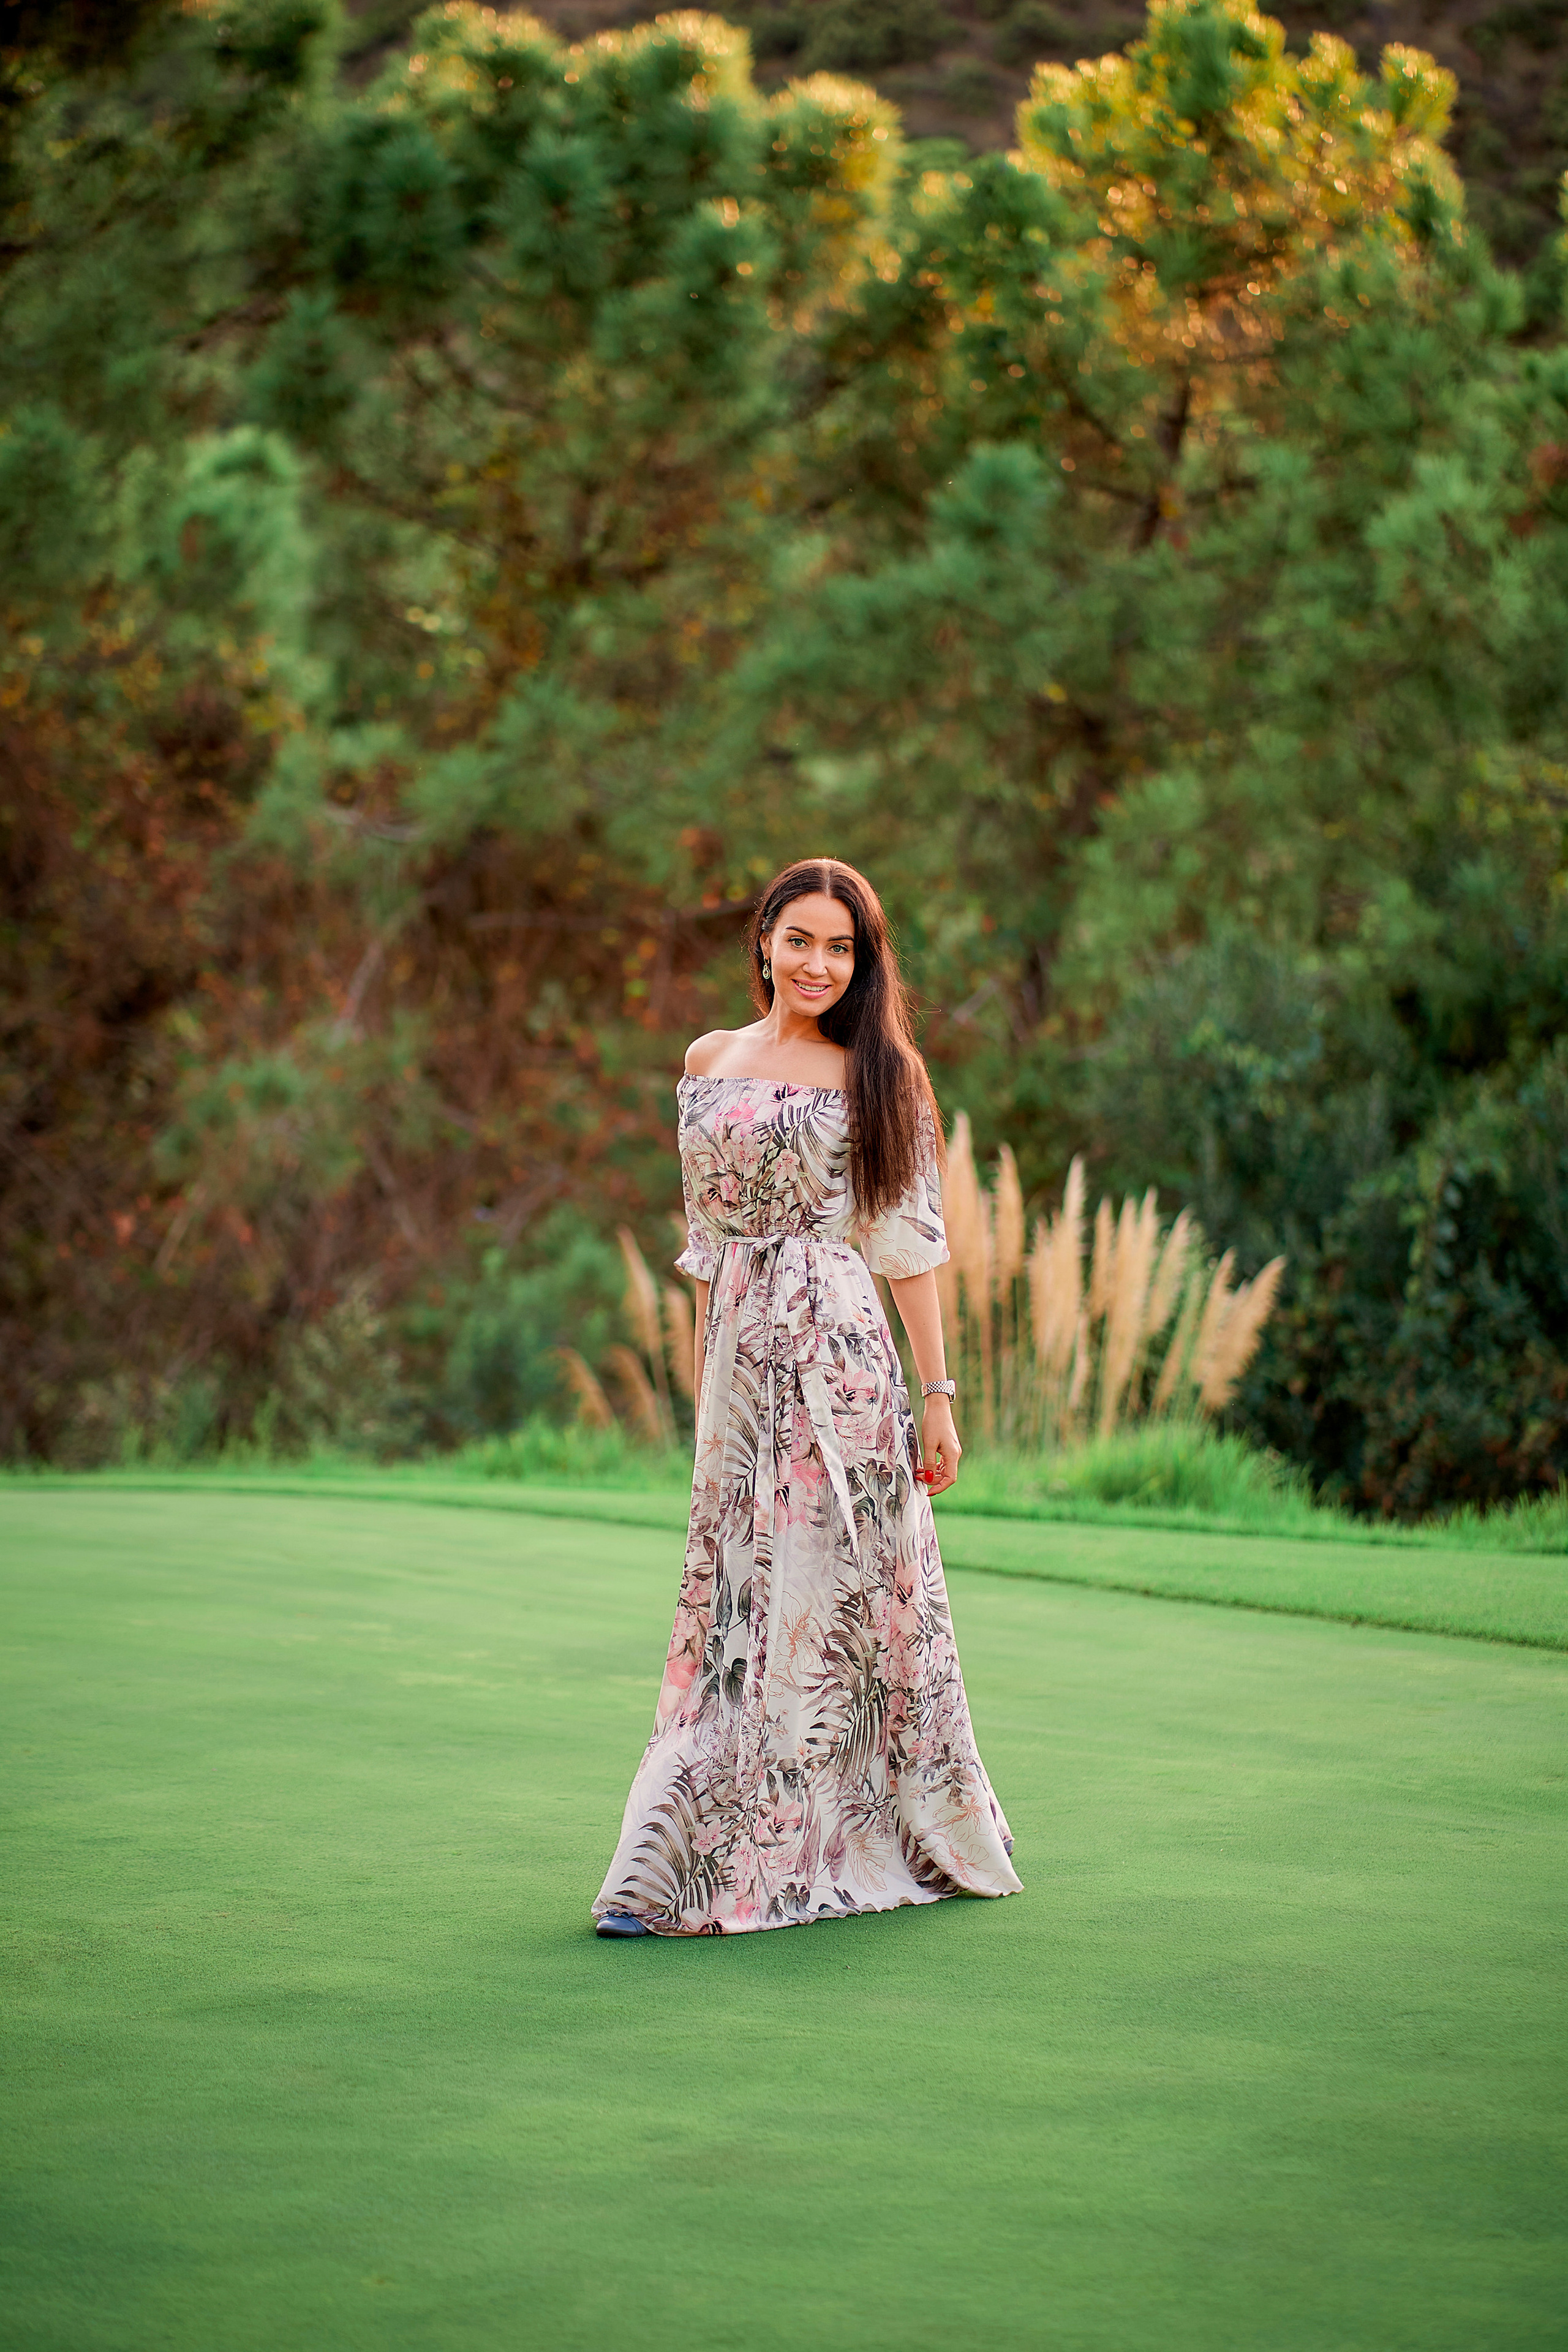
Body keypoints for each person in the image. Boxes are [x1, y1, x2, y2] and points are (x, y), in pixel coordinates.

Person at [592, 856, 1022, 1937]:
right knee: (730, 1609)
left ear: (862, 961)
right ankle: (672, 1864)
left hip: (843, 1362)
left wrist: (939, 1396)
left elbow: (908, 1245)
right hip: (740, 1361)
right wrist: (708, 1399)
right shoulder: (707, 1061)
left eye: (842, 947)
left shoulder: (884, 1075)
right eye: (800, 941)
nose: (819, 964)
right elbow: (705, 1245)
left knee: (848, 1605)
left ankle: (873, 1832)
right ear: (764, 943)